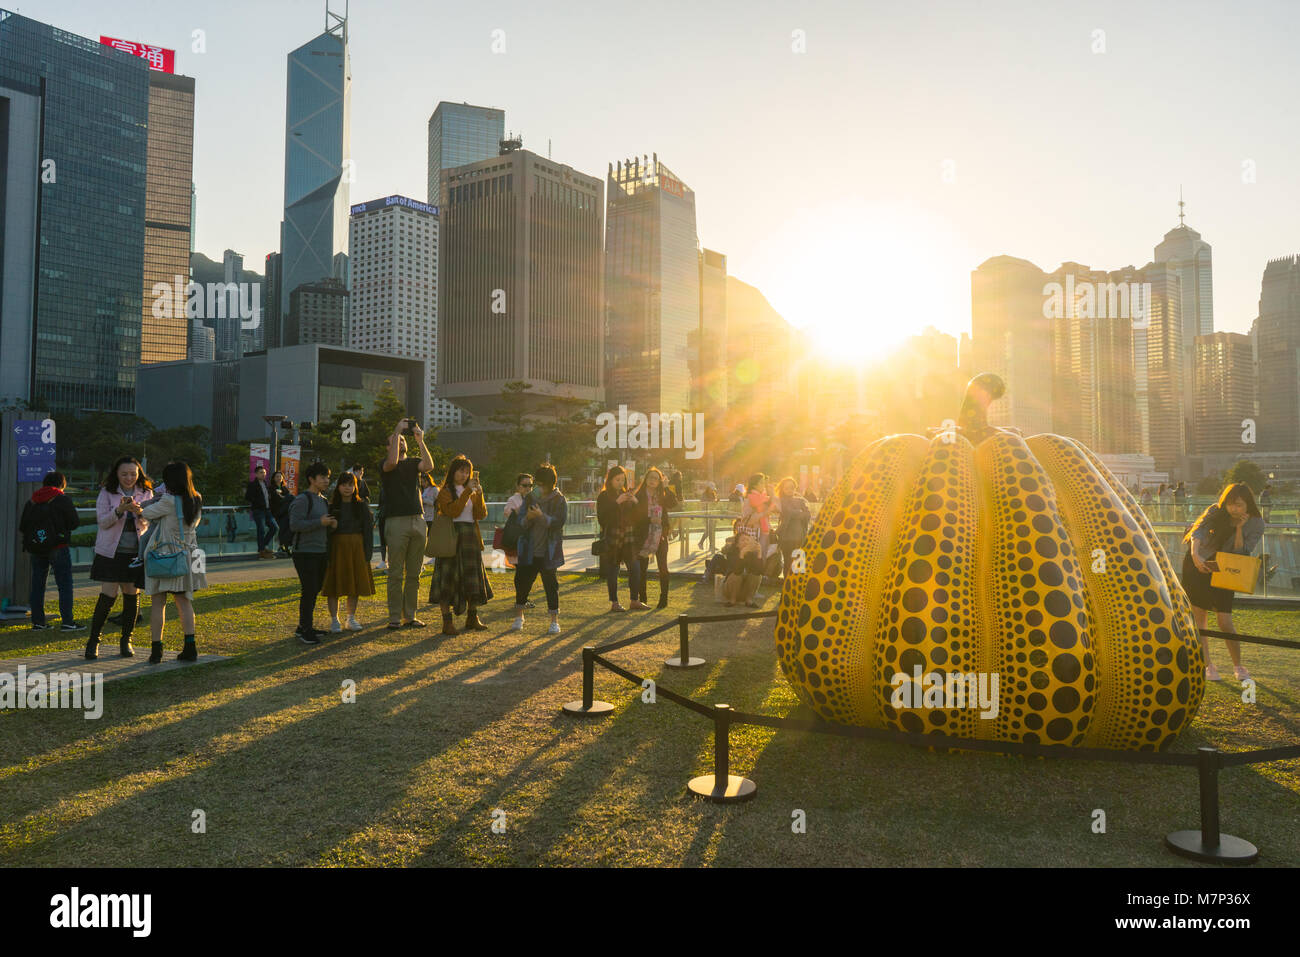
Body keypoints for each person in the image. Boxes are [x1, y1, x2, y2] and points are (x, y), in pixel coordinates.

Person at [1180, 482, 1265, 682]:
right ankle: (1208, 665)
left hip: (1227, 570)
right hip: (1199, 565)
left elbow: (1242, 554)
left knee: (1224, 620)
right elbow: (1197, 531)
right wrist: (1194, 556)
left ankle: (1238, 666)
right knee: (1200, 618)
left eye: (1239, 505)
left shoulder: (1257, 524)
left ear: (1248, 505)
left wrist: (1238, 529)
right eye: (1230, 504)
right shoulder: (1216, 511)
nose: (1233, 509)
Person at [86, 456, 153, 660]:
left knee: (132, 596)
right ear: (116, 473)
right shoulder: (107, 492)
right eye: (124, 474)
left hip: (135, 552)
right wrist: (119, 510)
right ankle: (93, 641)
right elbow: (102, 522)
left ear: (139, 473)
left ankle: (126, 641)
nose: (129, 478)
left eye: (133, 474)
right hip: (110, 553)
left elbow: (151, 520)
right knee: (107, 595)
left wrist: (139, 512)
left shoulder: (146, 492)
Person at [141, 461, 207, 663]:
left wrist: (136, 506)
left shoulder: (168, 501)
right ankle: (190, 647)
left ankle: (156, 650)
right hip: (185, 556)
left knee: (158, 603)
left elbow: (146, 514)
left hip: (164, 556)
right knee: (184, 602)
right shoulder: (196, 498)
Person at [381, 417, 434, 628]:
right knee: (395, 573)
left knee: (414, 573)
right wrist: (396, 430)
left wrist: (420, 440)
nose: (402, 442)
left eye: (403, 440)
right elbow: (392, 463)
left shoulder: (413, 463)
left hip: (418, 519)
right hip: (396, 521)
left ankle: (410, 616)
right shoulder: (385, 464)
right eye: (396, 440)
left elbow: (429, 465)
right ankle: (394, 617)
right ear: (389, 445)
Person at [431, 456, 493, 634]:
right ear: (453, 472)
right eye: (461, 471)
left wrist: (479, 494)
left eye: (467, 471)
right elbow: (452, 511)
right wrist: (467, 491)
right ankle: (447, 622)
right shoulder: (445, 491)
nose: (464, 474)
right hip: (451, 537)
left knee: (472, 580)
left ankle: (472, 617)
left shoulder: (472, 490)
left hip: (470, 537)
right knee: (447, 581)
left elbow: (481, 514)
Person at [20, 471, 82, 631]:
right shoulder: (62, 499)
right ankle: (68, 622)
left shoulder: (32, 501)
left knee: (37, 585)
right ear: (62, 484)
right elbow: (75, 522)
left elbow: (23, 526)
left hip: (36, 548)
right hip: (58, 547)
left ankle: (38, 622)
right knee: (64, 584)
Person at [510, 464, 566, 633]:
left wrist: (541, 517)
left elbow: (559, 523)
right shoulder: (530, 497)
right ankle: (519, 616)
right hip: (529, 550)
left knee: (551, 585)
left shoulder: (559, 499)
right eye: (538, 484)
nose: (540, 488)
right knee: (522, 583)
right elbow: (520, 522)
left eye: (543, 484)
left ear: (552, 483)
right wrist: (528, 517)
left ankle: (554, 621)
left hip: (548, 551)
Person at [289, 462, 337, 645]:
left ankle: (304, 626)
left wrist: (331, 525)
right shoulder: (303, 499)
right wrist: (320, 522)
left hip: (320, 551)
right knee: (309, 589)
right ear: (312, 479)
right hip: (304, 552)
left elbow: (323, 525)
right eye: (323, 477)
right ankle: (305, 630)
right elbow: (295, 525)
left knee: (314, 589)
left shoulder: (323, 500)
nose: (327, 480)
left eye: (328, 477)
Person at [322, 471, 375, 632]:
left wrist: (368, 553)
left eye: (350, 484)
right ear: (338, 486)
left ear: (355, 486)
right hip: (336, 548)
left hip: (357, 547)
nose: (347, 487)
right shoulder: (331, 507)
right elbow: (324, 532)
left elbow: (368, 531)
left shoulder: (361, 506)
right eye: (344, 484)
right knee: (334, 585)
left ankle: (350, 618)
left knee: (355, 584)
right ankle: (334, 620)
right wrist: (332, 528)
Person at [596, 465, 646, 612]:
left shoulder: (627, 494)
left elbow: (638, 516)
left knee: (635, 568)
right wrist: (617, 502)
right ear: (610, 480)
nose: (620, 483)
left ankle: (634, 600)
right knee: (613, 569)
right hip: (613, 536)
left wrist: (635, 501)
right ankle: (614, 602)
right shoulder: (604, 496)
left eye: (623, 480)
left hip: (628, 536)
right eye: (617, 480)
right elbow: (602, 517)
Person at [632, 467, 679, 609]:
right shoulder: (639, 495)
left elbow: (673, 503)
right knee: (642, 568)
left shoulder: (662, 495)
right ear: (645, 480)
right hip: (643, 535)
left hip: (660, 535)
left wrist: (666, 488)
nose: (653, 481)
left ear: (659, 481)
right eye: (650, 477)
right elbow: (635, 517)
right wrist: (650, 520)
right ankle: (643, 597)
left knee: (663, 567)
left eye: (656, 478)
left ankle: (663, 598)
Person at [771, 476, 812, 578]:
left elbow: (808, 515)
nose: (790, 490)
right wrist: (799, 513)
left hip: (800, 536)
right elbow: (787, 511)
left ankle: (797, 587)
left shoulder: (800, 501)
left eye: (792, 487)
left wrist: (797, 513)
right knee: (788, 564)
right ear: (782, 489)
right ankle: (787, 586)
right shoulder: (781, 501)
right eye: (787, 488)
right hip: (787, 537)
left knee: (799, 565)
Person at [244, 464, 278, 558]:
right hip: (258, 510)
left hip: (267, 510)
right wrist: (258, 502)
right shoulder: (252, 484)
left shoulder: (266, 484)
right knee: (261, 530)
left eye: (264, 473)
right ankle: (262, 551)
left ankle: (263, 546)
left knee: (274, 527)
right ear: (256, 474)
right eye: (261, 473)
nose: (263, 474)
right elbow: (248, 497)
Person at [502, 473, 534, 566]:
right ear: (518, 486)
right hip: (518, 539)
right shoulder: (513, 499)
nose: (528, 488)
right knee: (520, 567)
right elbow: (508, 514)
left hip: (532, 539)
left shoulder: (535, 499)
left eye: (530, 485)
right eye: (524, 485)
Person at [742, 473, 773, 556]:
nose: (764, 485)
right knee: (757, 557)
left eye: (764, 482)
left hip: (765, 532)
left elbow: (777, 508)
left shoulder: (765, 497)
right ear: (754, 485)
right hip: (754, 533)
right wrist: (764, 513)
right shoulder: (750, 498)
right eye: (761, 483)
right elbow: (746, 520)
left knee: (765, 556)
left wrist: (772, 495)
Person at [269, 470, 294, 556]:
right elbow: (275, 500)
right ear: (273, 478)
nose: (279, 478)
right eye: (277, 476)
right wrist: (284, 498)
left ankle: (285, 546)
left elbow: (287, 498)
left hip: (286, 512)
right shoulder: (271, 488)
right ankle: (283, 546)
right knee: (282, 527)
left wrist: (284, 497)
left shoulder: (284, 488)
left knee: (286, 528)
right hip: (277, 511)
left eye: (280, 476)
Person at [420, 471, 440, 566]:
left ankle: (435, 557)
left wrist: (425, 501)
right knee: (424, 538)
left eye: (424, 481)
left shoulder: (434, 489)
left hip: (432, 517)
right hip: (424, 517)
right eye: (421, 482)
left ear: (428, 481)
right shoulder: (421, 490)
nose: (423, 484)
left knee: (432, 538)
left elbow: (437, 503)